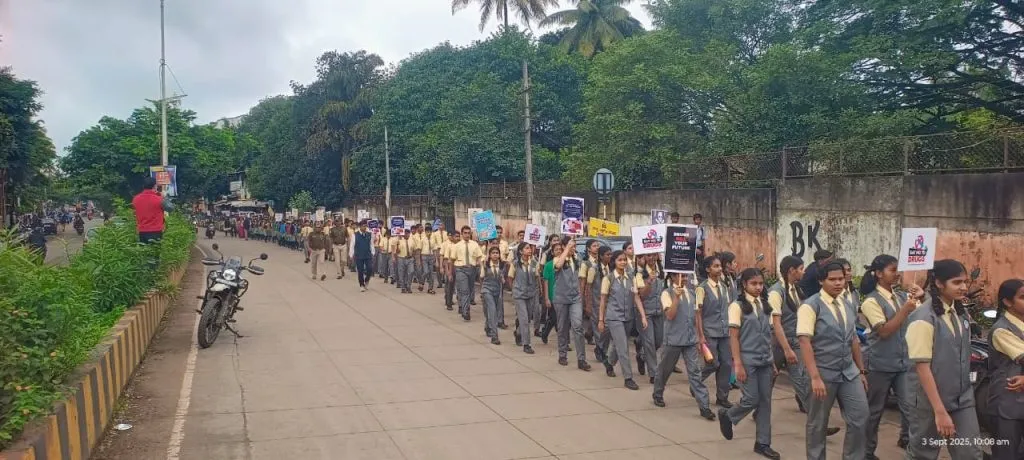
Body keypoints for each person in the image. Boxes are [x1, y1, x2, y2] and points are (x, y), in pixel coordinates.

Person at [905, 259, 982, 460]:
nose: (964, 287)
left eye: (965, 282)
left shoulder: (960, 312)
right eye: (957, 282)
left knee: (970, 454)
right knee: (923, 454)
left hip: (963, 398)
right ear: (939, 283)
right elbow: (922, 367)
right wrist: (939, 411)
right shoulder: (923, 318)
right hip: (929, 402)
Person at [798, 262, 870, 460]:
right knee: (818, 424)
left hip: (848, 371)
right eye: (833, 279)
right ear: (821, 280)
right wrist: (814, 377)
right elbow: (804, 341)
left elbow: (854, 338)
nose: (838, 283)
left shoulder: (847, 303)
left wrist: (861, 371)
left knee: (860, 417)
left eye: (841, 279)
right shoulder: (810, 306)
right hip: (822, 371)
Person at [859, 255, 921, 459]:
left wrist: (921, 296)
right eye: (892, 270)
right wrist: (905, 311)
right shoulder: (871, 301)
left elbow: (921, 318)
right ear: (878, 274)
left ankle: (912, 447)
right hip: (880, 363)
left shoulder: (902, 296)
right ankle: (866, 452)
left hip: (904, 362)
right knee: (874, 412)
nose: (897, 274)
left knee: (911, 408)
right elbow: (884, 331)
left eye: (897, 270)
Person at [717, 268, 780, 460]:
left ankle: (763, 443)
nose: (758, 287)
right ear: (744, 285)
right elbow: (734, 338)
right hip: (748, 360)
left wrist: (773, 362)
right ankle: (729, 416)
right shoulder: (736, 306)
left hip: (765, 360)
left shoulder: (764, 304)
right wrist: (738, 365)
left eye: (761, 284)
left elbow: (767, 335)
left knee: (765, 403)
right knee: (751, 399)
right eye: (754, 284)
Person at [653, 272, 716, 419]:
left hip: (689, 339)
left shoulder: (692, 293)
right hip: (673, 340)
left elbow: (697, 316)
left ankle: (704, 407)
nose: (685, 279)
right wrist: (677, 297)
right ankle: (658, 393)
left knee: (695, 373)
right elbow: (670, 315)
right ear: (673, 277)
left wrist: (700, 336)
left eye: (686, 276)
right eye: (681, 276)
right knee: (665, 369)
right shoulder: (666, 293)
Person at [597, 249, 647, 389]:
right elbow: (603, 300)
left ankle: (609, 363)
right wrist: (601, 320)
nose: (623, 262)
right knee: (623, 347)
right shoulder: (608, 278)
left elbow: (636, 297)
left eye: (625, 259)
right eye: (620, 260)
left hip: (628, 317)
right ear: (614, 262)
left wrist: (643, 316)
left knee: (619, 345)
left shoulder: (631, 277)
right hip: (614, 318)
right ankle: (628, 378)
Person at [987, 278, 1024, 460]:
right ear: (1008, 302)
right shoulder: (1002, 330)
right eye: (1023, 297)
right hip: (1008, 404)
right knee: (1007, 454)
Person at [698, 254, 735, 408]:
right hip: (709, 331)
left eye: (720, 266)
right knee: (712, 364)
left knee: (726, 364)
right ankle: (696, 383)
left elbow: (728, 308)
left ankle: (722, 396)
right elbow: (698, 313)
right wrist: (700, 335)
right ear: (708, 269)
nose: (719, 269)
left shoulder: (724, 287)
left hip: (724, 331)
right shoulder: (702, 288)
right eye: (715, 266)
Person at [553, 235, 592, 371]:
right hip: (561, 298)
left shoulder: (578, 259)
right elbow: (558, 266)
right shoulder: (558, 258)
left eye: (574, 246)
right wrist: (566, 250)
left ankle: (581, 359)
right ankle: (562, 354)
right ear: (564, 246)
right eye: (571, 246)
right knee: (562, 327)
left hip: (575, 298)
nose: (573, 248)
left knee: (578, 326)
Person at [507, 242, 541, 354]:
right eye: (526, 248)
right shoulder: (515, 264)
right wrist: (514, 289)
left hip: (531, 294)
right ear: (521, 251)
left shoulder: (535, 263)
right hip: (519, 295)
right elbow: (510, 277)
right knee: (524, 320)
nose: (529, 250)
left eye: (530, 248)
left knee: (527, 319)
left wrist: (538, 291)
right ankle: (527, 344)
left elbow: (537, 278)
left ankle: (518, 332)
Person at [636, 254, 663, 384]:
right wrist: (649, 282)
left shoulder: (663, 271)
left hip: (661, 312)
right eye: (649, 255)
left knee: (659, 340)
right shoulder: (640, 273)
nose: (652, 257)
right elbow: (642, 295)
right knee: (650, 342)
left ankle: (641, 355)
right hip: (646, 312)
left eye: (654, 255)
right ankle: (653, 373)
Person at [450, 226, 483, 321]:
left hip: (471, 269)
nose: (467, 235)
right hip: (460, 269)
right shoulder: (457, 246)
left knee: (469, 289)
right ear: (462, 234)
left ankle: (463, 305)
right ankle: (466, 311)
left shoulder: (475, 244)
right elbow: (452, 260)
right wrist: (451, 273)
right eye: (465, 233)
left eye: (469, 233)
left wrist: (481, 268)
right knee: (464, 290)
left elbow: (479, 257)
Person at [132, 177, 173, 244]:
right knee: (155, 252)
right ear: (155, 186)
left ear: (143, 186)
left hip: (141, 232)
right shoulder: (159, 199)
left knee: (144, 252)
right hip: (156, 231)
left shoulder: (135, 199)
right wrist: (164, 197)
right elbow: (170, 208)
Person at [480, 246, 505, 345]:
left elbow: (504, 278)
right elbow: (481, 278)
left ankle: (487, 326)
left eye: (497, 253)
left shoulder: (502, 266)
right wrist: (482, 291)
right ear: (489, 255)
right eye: (493, 253)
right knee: (492, 311)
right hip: (487, 290)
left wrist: (503, 279)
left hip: (497, 291)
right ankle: (495, 336)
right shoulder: (485, 265)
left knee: (490, 312)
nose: (495, 254)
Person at [352, 221, 373, 291]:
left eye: (365, 226)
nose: (365, 227)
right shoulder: (355, 235)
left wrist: (373, 252)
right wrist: (351, 254)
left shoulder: (369, 234)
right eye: (363, 226)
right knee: (360, 271)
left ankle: (367, 280)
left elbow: (371, 244)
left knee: (370, 269)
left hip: (368, 255)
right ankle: (361, 284)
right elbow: (352, 245)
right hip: (359, 255)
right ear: (360, 227)